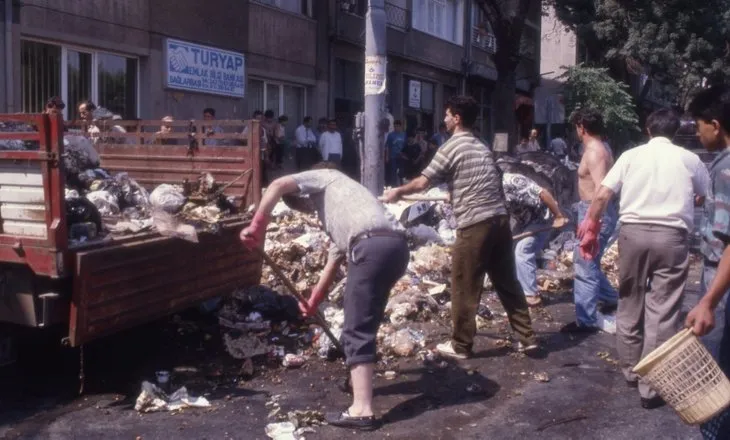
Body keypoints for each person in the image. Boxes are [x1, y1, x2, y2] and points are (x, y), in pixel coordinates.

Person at [240, 162, 408, 431]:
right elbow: (332, 262)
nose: (308, 209)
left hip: (370, 247)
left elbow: (277, 185)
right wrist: (313, 302)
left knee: (356, 326)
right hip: (396, 249)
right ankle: (356, 383)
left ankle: (362, 411)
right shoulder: (348, 203)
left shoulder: (326, 175)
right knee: (367, 316)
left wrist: (257, 227)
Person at [382, 95, 537, 359]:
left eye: (446, 115)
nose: (443, 119)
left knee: (464, 284)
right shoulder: (481, 145)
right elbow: (490, 179)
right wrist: (458, 190)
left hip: (475, 223)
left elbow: (422, 182)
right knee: (507, 281)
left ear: (456, 118)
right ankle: (527, 338)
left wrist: (397, 192)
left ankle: (461, 345)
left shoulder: (451, 146)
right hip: (500, 220)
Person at [580, 108, 710, 410]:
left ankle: (629, 370)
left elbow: (601, 195)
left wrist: (591, 228)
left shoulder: (630, 156)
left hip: (633, 235)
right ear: (675, 132)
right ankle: (650, 387)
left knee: (629, 300)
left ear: (648, 130)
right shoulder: (690, 159)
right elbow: (704, 196)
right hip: (672, 237)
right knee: (663, 310)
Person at [683, 85, 730, 440]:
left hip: (723, 282)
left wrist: (708, 301)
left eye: (699, 125)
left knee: (717, 376)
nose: (697, 132)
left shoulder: (726, 169)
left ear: (716, 124)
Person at [564, 107, 619, 334]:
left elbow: (601, 191)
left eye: (577, 127)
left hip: (595, 212)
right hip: (593, 211)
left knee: (585, 265)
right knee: (590, 261)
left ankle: (585, 322)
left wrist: (591, 224)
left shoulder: (595, 152)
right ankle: (612, 298)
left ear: (581, 127)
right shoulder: (601, 147)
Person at [502, 172, 569, 307]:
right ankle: (517, 287)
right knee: (508, 249)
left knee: (523, 250)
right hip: (523, 220)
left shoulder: (513, 180)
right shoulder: (489, 187)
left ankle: (531, 296)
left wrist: (558, 216)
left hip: (542, 216)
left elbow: (542, 192)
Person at [384, 120, 406, 186]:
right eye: (395, 126)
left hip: (402, 156)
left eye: (398, 126)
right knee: (393, 171)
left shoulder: (404, 135)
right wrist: (387, 156)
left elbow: (406, 145)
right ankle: (394, 185)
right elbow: (387, 146)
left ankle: (402, 185)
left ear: (400, 126)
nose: (396, 128)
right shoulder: (391, 135)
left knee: (401, 172)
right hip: (393, 156)